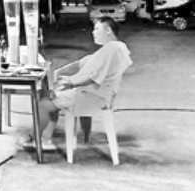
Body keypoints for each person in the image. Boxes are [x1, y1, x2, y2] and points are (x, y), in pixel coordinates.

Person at [25, 16, 132, 152]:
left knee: (44, 103)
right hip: (96, 94)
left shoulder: (110, 50)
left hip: (90, 96)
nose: (93, 32)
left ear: (108, 30)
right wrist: (63, 72)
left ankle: (36, 139)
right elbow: (84, 62)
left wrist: (71, 83)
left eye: (97, 29)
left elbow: (93, 77)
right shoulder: (118, 47)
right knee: (52, 96)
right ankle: (48, 137)